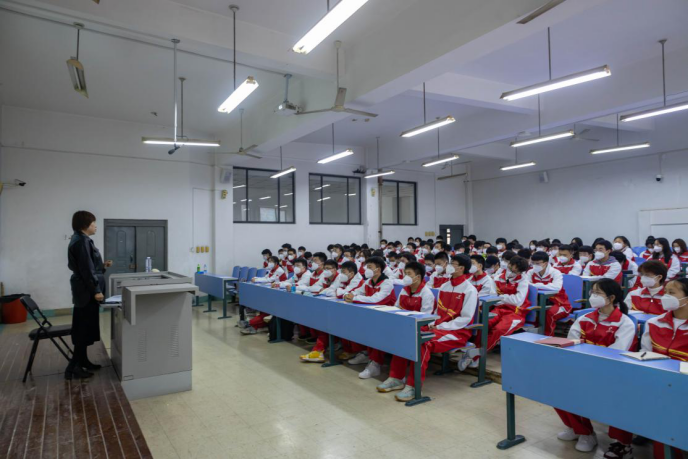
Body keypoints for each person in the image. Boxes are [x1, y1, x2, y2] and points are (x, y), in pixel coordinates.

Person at [555, 279, 636, 456]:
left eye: (598, 293)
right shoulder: (584, 318)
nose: (593, 296)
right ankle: (581, 431)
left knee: (587, 391)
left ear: (611, 298)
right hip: (583, 367)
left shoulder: (624, 323)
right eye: (592, 292)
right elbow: (571, 343)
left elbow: (615, 353)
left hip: (612, 372)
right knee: (556, 387)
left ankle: (616, 440)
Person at [380, 256, 478, 401]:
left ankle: (414, 386)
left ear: (461, 268)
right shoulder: (445, 286)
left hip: (457, 332)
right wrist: (433, 322)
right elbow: (438, 312)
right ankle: (396, 377)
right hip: (437, 328)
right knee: (407, 336)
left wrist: (441, 325)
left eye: (452, 264)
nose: (449, 266)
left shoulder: (470, 290)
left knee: (423, 342)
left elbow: (465, 318)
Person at [640, 278, 688, 459]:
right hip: (659, 382)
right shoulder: (654, 322)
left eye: (671, 293)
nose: (665, 296)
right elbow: (645, 354)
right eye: (665, 292)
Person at [376, 261, 438, 396]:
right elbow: (396, 307)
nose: (405, 277)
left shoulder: (426, 294)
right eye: (405, 273)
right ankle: (396, 378)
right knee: (393, 337)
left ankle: (413, 386)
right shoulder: (405, 290)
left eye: (409, 274)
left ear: (418, 277)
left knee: (410, 341)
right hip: (404, 326)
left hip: (420, 328)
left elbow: (424, 318)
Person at [66, 211, 112, 380]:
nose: (95, 226)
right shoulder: (82, 241)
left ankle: (83, 360)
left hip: (84, 291)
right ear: (85, 225)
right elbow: (86, 269)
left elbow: (89, 266)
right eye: (93, 223)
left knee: (85, 328)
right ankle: (74, 367)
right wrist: (96, 290)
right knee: (83, 329)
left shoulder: (80, 239)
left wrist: (102, 266)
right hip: (87, 292)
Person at [344, 257, 397, 378]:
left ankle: (375, 364)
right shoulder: (368, 281)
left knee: (377, 332)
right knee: (353, 324)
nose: (366, 269)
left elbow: (376, 299)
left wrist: (355, 298)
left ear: (378, 269)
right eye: (366, 267)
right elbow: (357, 291)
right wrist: (349, 295)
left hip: (387, 317)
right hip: (371, 315)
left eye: (369, 267)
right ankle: (366, 353)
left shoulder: (387, 283)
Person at [481, 256, 531, 352]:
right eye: (511, 269)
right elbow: (492, 296)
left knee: (499, 329)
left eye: (516, 272)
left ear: (521, 272)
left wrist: (500, 297)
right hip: (498, 308)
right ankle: (476, 349)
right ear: (509, 264)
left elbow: (517, 301)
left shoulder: (523, 281)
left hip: (515, 313)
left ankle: (480, 354)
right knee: (485, 323)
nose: (512, 272)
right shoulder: (497, 278)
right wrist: (506, 298)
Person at [299, 259, 340, 362]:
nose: (326, 270)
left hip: (337, 309)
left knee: (326, 327)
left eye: (329, 268)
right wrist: (321, 290)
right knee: (322, 325)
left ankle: (319, 351)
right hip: (327, 306)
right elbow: (314, 287)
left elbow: (333, 291)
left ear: (335, 269)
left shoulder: (339, 278)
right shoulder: (324, 277)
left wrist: (323, 290)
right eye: (325, 268)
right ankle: (318, 350)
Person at [528, 252, 572, 336]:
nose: (535, 265)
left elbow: (557, 287)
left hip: (560, 304)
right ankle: (533, 337)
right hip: (540, 302)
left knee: (550, 314)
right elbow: (527, 284)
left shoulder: (555, 272)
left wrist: (536, 285)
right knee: (531, 312)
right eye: (533, 263)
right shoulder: (530, 272)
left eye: (538, 263)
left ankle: (548, 337)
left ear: (545, 263)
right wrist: (543, 286)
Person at [241, 256, 287, 334]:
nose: (269, 263)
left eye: (271, 261)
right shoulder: (272, 270)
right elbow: (265, 277)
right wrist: (255, 278)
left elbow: (269, 280)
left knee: (267, 311)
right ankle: (254, 325)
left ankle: (250, 323)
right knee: (264, 310)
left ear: (276, 263)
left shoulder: (279, 270)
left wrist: (257, 280)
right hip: (272, 292)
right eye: (269, 261)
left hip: (279, 295)